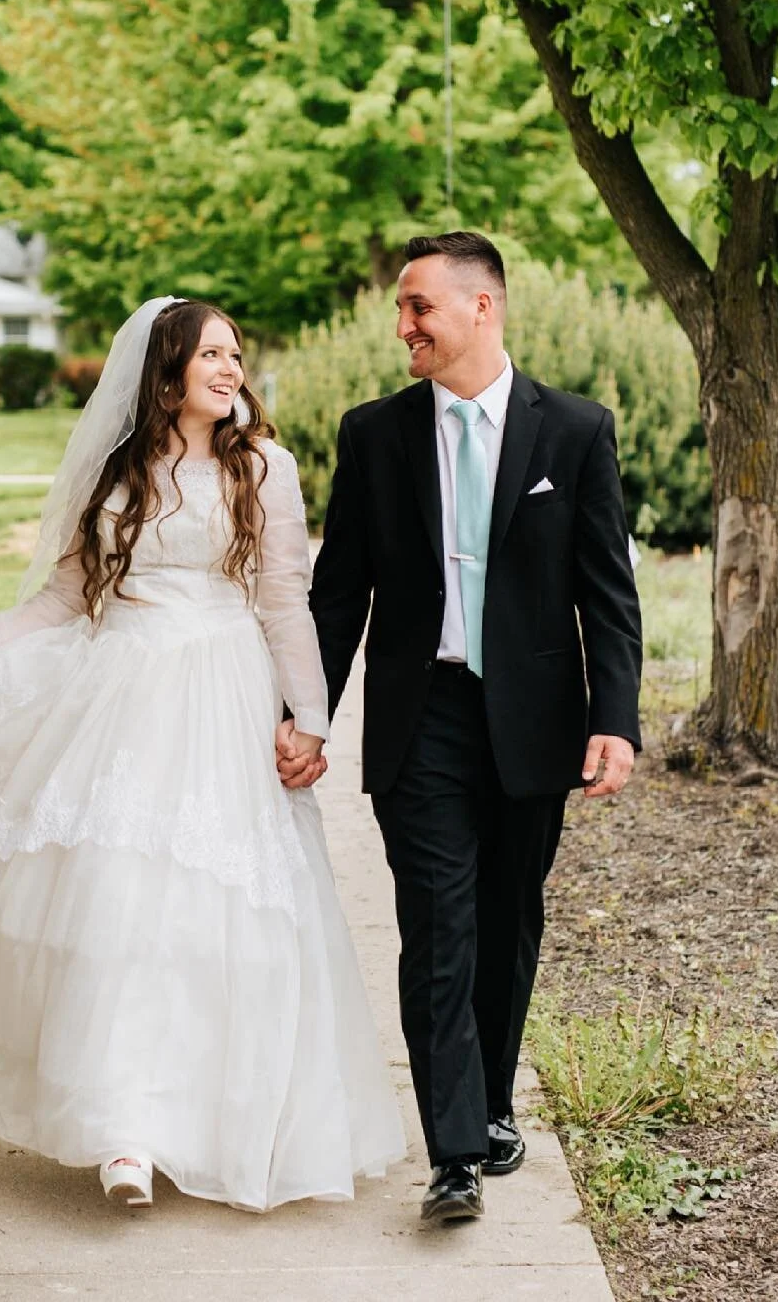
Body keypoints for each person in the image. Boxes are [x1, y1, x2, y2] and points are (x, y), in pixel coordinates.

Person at [0, 297, 404, 1212]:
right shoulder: (119, 474)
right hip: (119, 704)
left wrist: (313, 719)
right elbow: (64, 597)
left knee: (221, 912)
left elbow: (285, 601)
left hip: (221, 699)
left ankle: (215, 1118)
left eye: (235, 354)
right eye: (211, 354)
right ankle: (123, 1131)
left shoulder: (266, 469)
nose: (229, 368)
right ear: (164, 371)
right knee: (115, 904)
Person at [291, 232, 642, 1225]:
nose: (402, 326)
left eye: (418, 308)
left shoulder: (575, 431)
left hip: (533, 723)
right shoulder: (374, 434)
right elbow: (338, 594)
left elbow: (607, 596)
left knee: (506, 924)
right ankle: (452, 1155)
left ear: (481, 308)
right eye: (401, 309)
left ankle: (489, 1105)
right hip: (421, 719)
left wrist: (616, 720)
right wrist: (307, 716)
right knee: (437, 928)